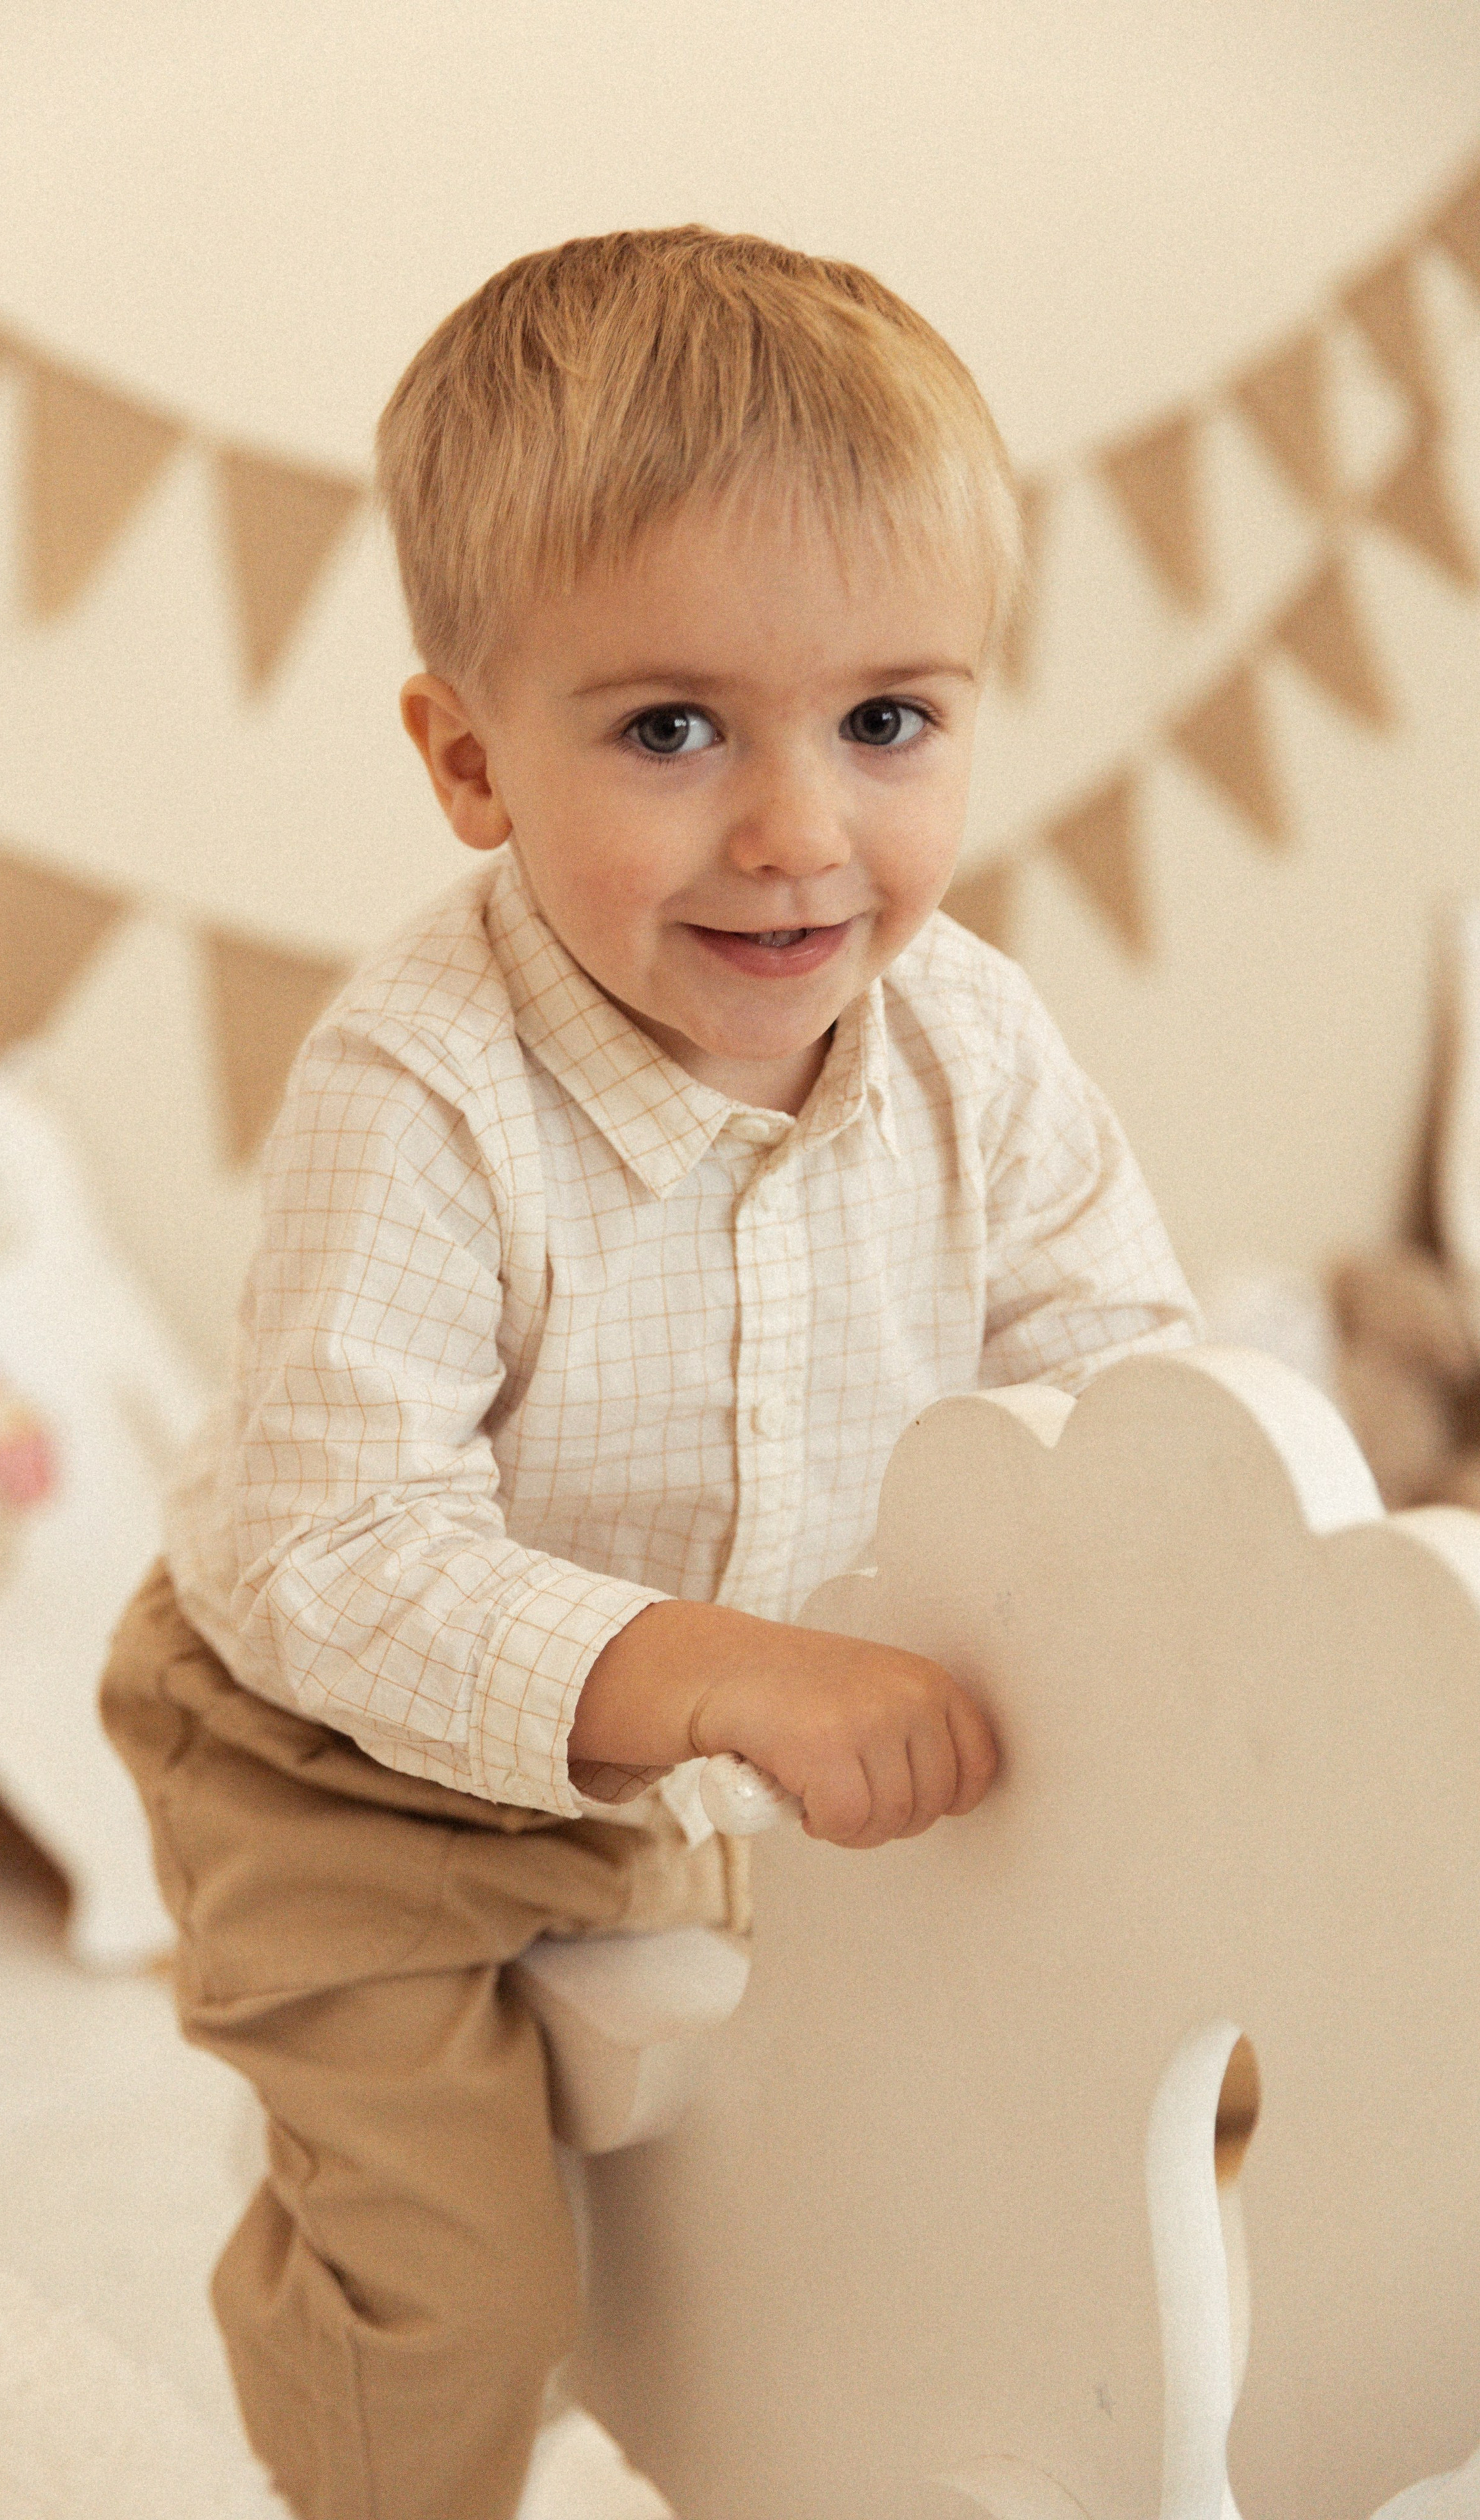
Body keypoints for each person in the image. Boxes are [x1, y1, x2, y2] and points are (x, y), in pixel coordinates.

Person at [101, 225, 1196, 2520]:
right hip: (347, 1774)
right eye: (675, 729)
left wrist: (1164, 1593)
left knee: (1048, 2103)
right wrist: (709, 1671)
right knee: (469, 2278)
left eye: (887, 721)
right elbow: (332, 1549)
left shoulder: (967, 1036)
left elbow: (1108, 1356)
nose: (800, 833)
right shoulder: (424, 1082)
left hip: (744, 1752)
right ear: (468, 756)